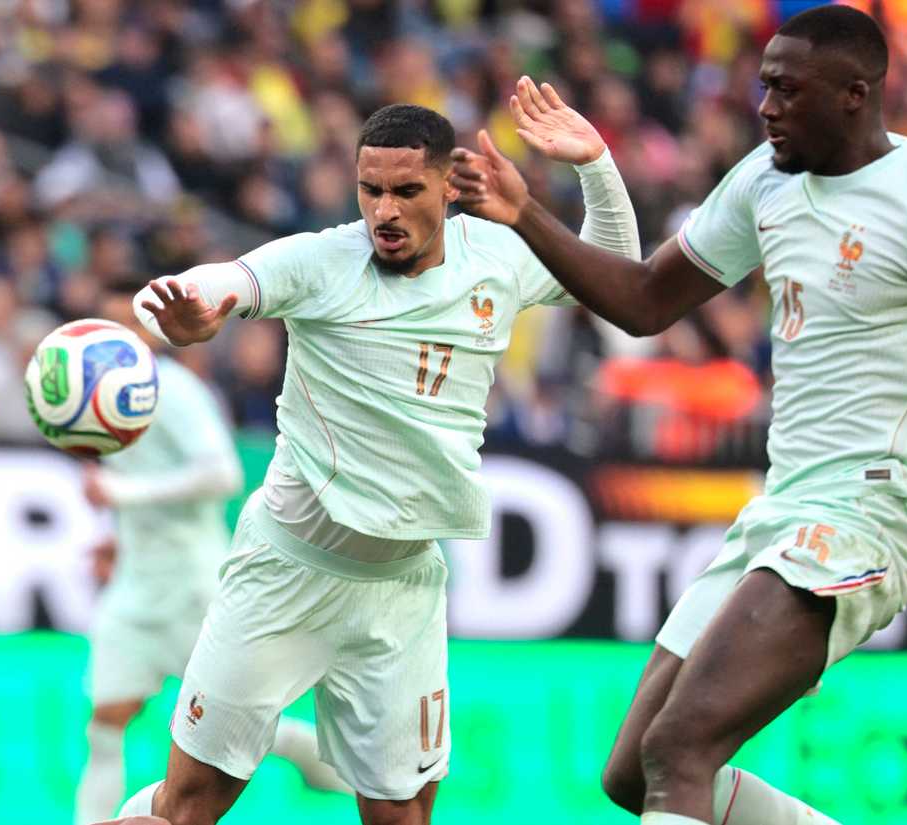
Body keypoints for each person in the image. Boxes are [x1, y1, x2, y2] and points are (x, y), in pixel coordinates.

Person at [449, 8, 907, 825]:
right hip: (782, 508)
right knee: (633, 775)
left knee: (679, 753)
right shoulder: (765, 179)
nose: (766, 106)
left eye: (788, 90)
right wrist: (525, 212)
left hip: (867, 514)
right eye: (764, 87)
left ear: (856, 96)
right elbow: (645, 302)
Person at [115, 102, 640, 825]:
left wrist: (594, 165)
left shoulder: (498, 258)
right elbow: (218, 281)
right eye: (371, 190)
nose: (384, 211)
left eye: (406, 191)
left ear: (447, 188)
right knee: (188, 808)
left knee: (401, 817)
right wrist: (178, 313)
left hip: (403, 587)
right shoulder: (321, 261)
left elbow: (615, 271)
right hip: (286, 573)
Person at [73, 286, 346, 825]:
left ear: (146, 332)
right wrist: (122, 534)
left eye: (124, 326)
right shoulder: (104, 399)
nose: (114, 342)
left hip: (193, 581)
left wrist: (124, 495)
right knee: (105, 723)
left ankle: (304, 753)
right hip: (135, 584)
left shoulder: (172, 390)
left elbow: (221, 473)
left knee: (228, 722)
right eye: (103, 328)